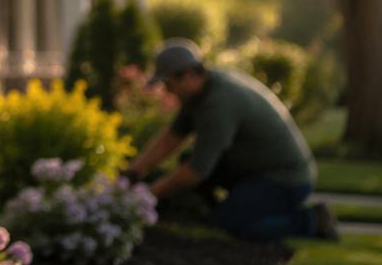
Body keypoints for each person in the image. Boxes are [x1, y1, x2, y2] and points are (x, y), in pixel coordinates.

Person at [122, 39, 337, 241]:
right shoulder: (198, 94)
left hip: (284, 179)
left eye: (168, 84)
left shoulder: (219, 103)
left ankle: (311, 220)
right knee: (187, 160)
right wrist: (133, 173)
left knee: (233, 224)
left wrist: (148, 196)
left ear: (187, 75)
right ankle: (231, 207)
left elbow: (197, 171)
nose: (167, 91)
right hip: (252, 170)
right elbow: (170, 139)